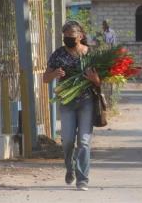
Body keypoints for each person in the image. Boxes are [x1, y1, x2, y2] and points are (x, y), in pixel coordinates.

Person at [43, 20, 101, 191]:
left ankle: (82, 179)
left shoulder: (90, 54)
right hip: (67, 102)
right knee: (68, 140)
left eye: (72, 36)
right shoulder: (58, 54)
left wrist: (94, 79)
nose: (68, 39)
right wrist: (54, 74)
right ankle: (70, 168)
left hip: (86, 101)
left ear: (81, 36)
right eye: (66, 37)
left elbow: (101, 82)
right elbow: (45, 78)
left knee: (83, 141)